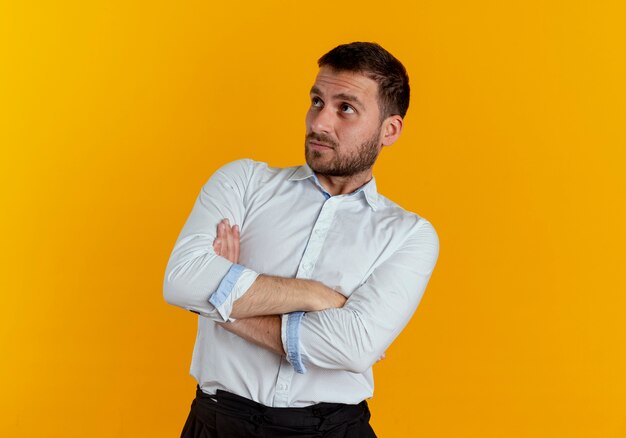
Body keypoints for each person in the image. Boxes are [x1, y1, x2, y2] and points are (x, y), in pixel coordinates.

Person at [163, 41, 439, 437]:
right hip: (220, 424)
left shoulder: (409, 235)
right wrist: (314, 295)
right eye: (316, 101)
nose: (319, 123)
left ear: (389, 130)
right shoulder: (243, 182)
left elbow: (353, 346)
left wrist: (221, 304)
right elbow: (183, 281)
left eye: (346, 108)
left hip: (333, 429)